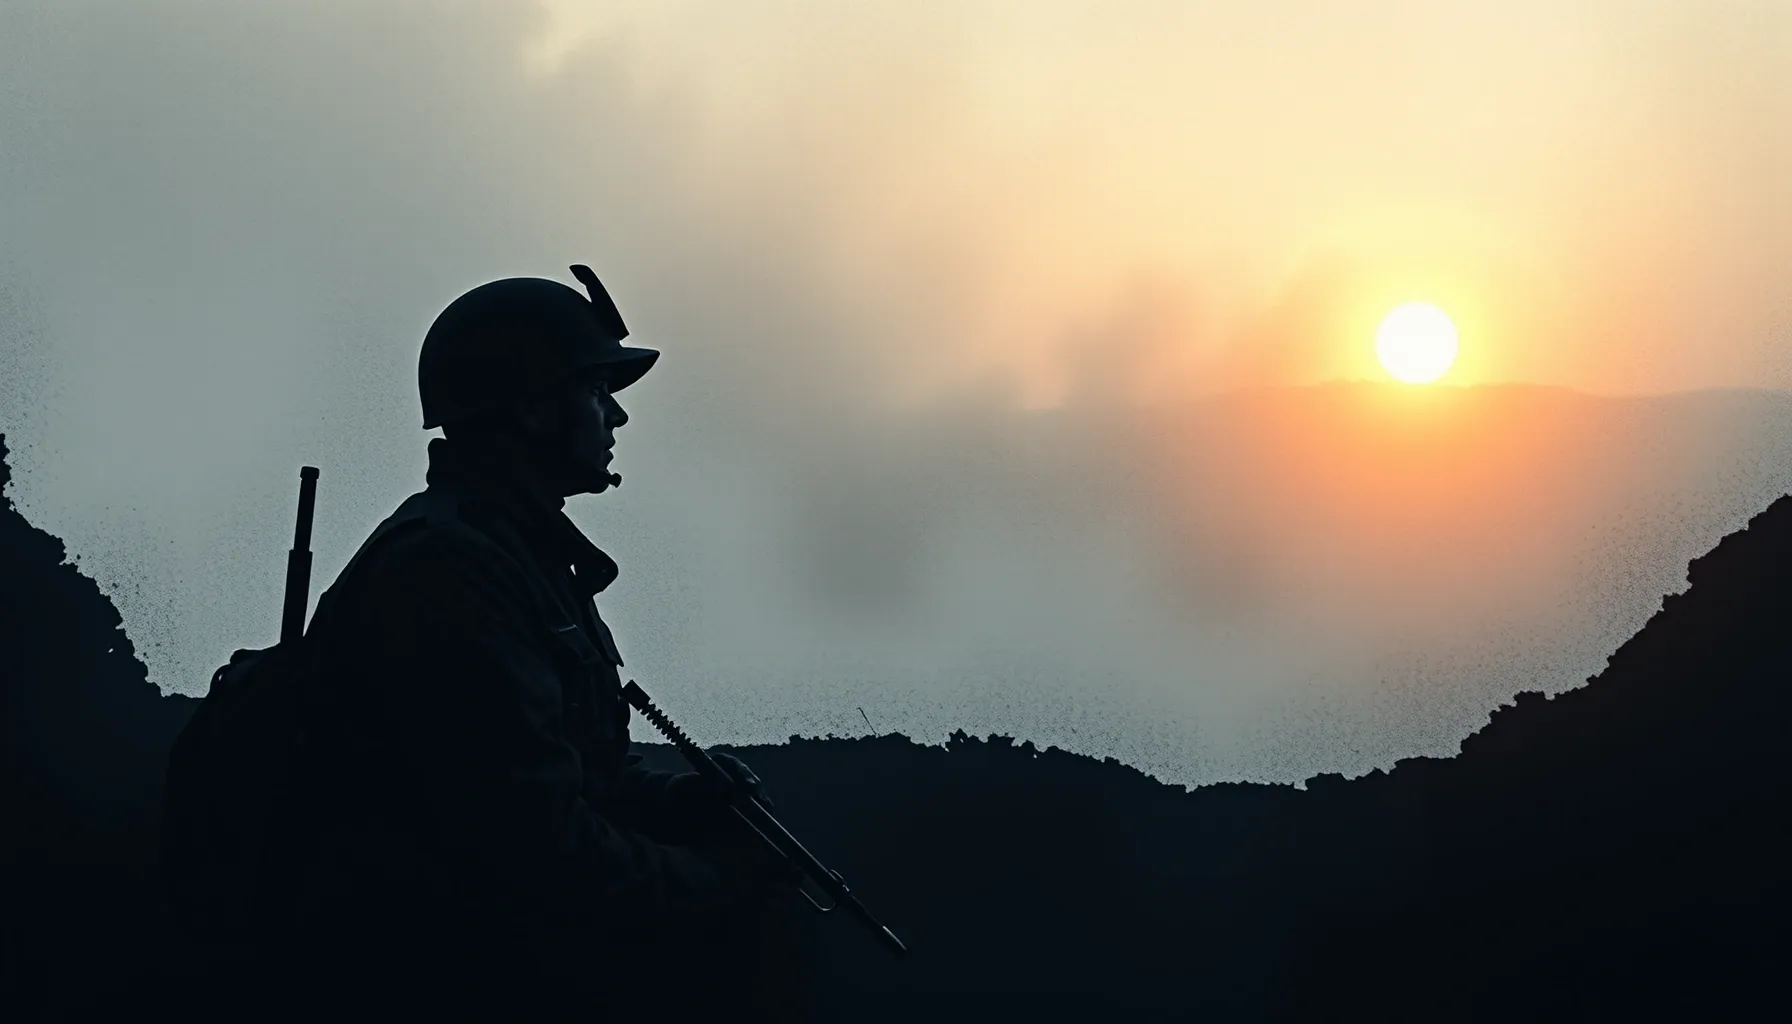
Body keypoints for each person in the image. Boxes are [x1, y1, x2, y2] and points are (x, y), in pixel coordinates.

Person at [266, 265, 817, 1021]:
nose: (617, 416)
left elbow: (578, 768)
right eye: (595, 391)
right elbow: (535, 847)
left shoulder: (521, 559)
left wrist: (681, 799)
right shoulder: (451, 571)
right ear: (530, 410)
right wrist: (725, 880)